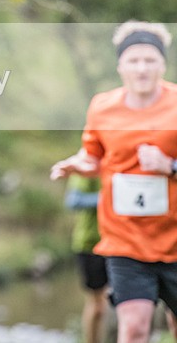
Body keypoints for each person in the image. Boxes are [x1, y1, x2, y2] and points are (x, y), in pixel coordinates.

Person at [51, 20, 177, 343]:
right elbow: (93, 156)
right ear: (120, 66)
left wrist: (170, 165)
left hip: (174, 240)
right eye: (133, 60)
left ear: (163, 64)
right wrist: (76, 165)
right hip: (125, 239)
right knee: (133, 327)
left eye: (150, 60)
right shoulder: (102, 107)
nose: (142, 68)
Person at [63, 175, 109, 343]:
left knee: (126, 306)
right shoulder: (88, 164)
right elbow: (73, 200)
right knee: (97, 306)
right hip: (91, 244)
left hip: (122, 243)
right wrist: (109, 196)